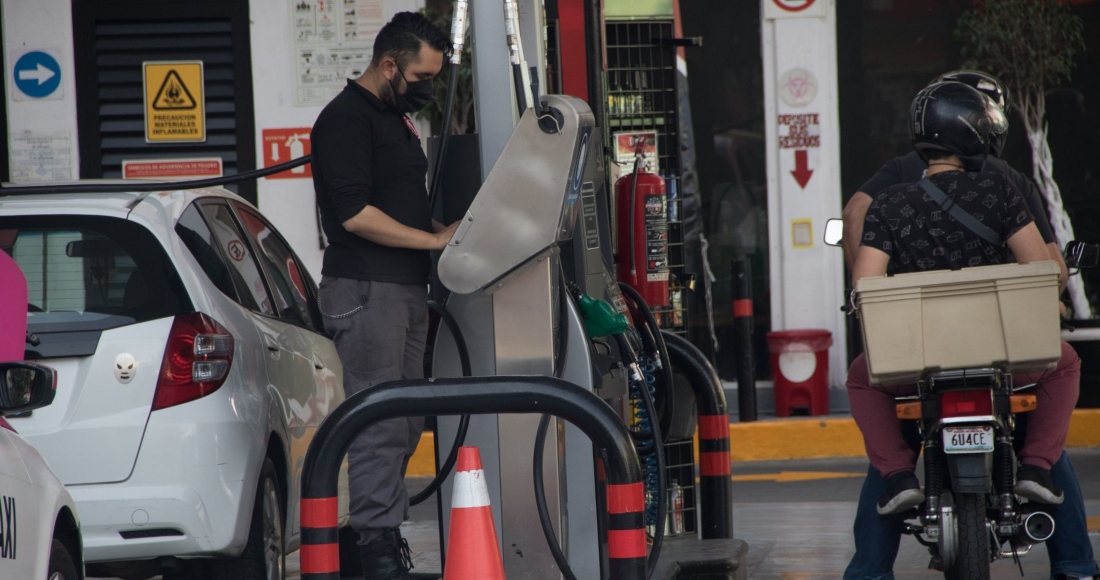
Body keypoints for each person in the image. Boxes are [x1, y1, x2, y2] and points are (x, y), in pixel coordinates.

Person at [843, 78, 1098, 580]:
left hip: (916, 363)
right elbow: (1039, 270)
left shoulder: (890, 202)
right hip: (1001, 357)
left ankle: (896, 478)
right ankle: (1038, 471)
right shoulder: (1001, 188)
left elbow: (865, 286)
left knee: (859, 376)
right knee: (1066, 365)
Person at [310, 12, 457, 580]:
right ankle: (376, 553)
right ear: (390, 65)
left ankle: (380, 536)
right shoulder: (345, 120)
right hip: (366, 288)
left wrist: (453, 233)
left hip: (404, 287)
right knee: (376, 422)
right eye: (420, 78)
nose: (425, 89)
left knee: (403, 420)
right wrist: (431, 240)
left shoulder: (395, 120)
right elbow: (352, 213)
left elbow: (402, 205)